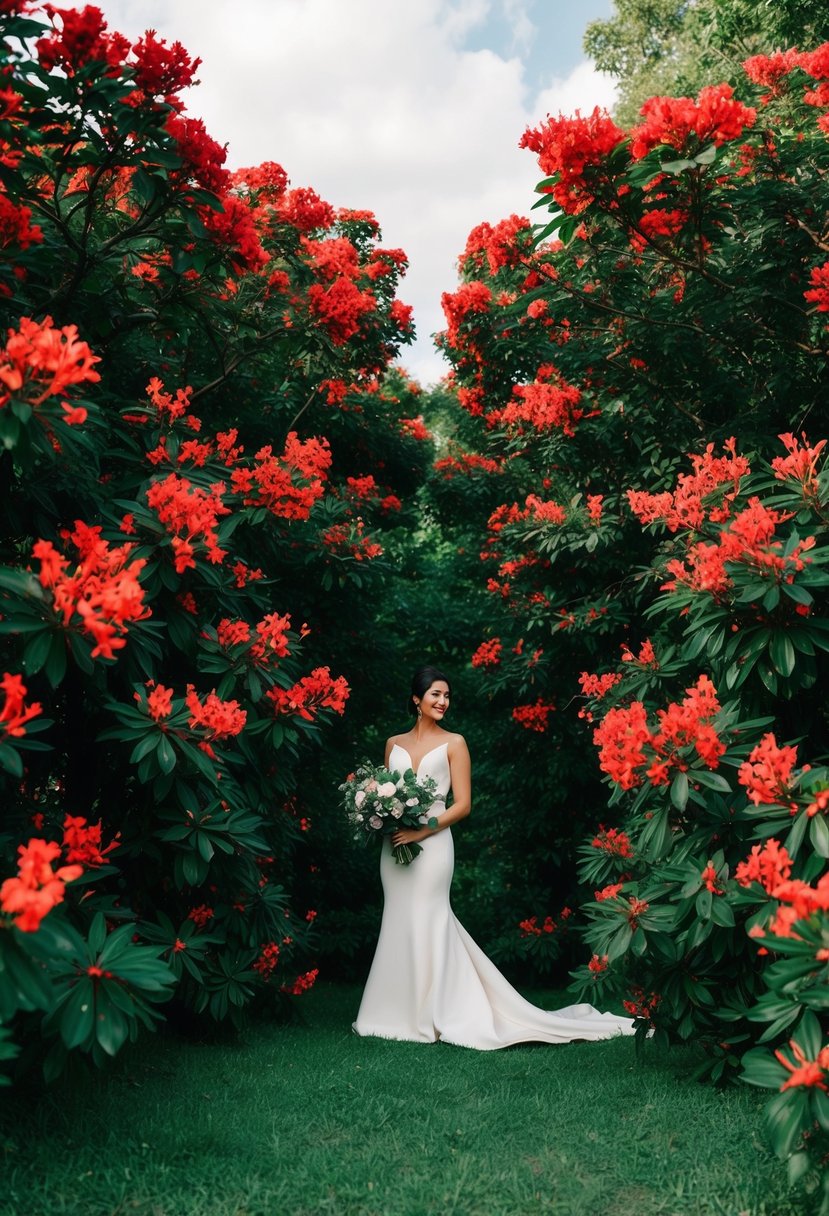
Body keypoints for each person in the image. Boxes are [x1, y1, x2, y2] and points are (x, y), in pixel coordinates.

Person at [353, 664, 638, 1049]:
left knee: (429, 917)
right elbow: (386, 795)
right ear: (415, 699)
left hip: (433, 846)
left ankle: (434, 1014)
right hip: (396, 848)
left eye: (447, 695)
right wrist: (382, 819)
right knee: (399, 919)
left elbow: (464, 804)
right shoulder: (393, 744)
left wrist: (422, 829)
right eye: (435, 694)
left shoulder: (455, 743)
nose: (442, 701)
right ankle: (390, 1014)